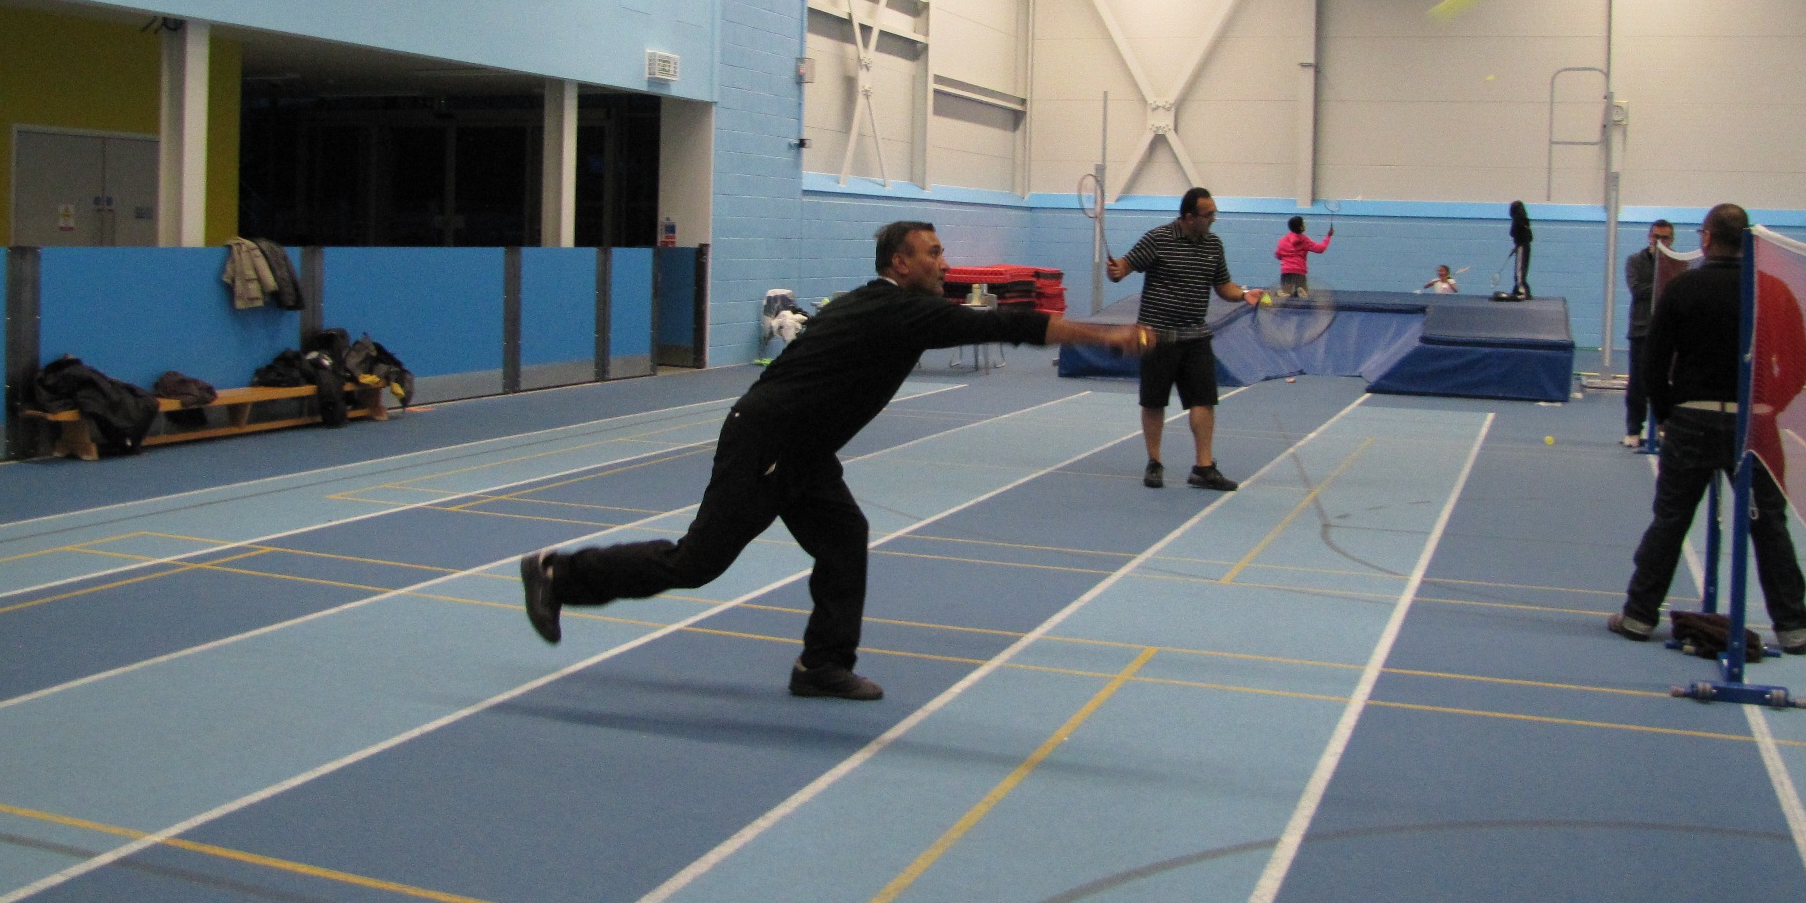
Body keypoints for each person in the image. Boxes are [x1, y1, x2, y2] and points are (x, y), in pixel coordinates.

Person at [517, 221, 1154, 700]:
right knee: (697, 563)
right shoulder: (896, 311)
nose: (944, 261)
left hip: (804, 449)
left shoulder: (883, 305)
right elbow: (1006, 327)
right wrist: (1105, 338)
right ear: (901, 263)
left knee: (845, 537)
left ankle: (822, 665)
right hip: (767, 442)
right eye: (933, 252)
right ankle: (558, 575)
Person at [1608, 204, 1806, 654]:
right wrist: (1768, 406)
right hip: (1755, 429)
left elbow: (1653, 361)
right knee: (1770, 527)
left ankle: (1639, 618)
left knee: (1670, 520)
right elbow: (1798, 363)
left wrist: (1669, 415)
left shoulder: (1683, 288)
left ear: (1705, 239)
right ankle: (1794, 628)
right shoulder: (1774, 291)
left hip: (1692, 422)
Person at [1107, 187, 1266, 492]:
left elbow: (1223, 287)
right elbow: (1124, 268)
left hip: (1196, 336)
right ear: (1190, 217)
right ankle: (1154, 463)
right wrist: (1117, 271)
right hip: (1157, 336)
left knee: (1204, 401)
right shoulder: (1158, 238)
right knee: (1153, 402)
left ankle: (1203, 468)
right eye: (1209, 215)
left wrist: (1245, 294)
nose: (1213, 220)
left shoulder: (1214, 245)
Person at [1622, 218, 1676, 447]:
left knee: (1669, 382)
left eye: (1665, 237)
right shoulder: (1635, 261)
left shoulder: (1678, 263)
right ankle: (1634, 430)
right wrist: (1664, 281)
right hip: (1641, 330)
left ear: (1671, 240)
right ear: (1649, 237)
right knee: (1638, 383)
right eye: (1656, 237)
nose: (1660, 241)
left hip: (1670, 332)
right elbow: (1637, 290)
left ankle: (1666, 429)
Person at [1275, 215, 1332, 297]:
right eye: (1303, 224)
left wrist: (1287, 257)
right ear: (1301, 227)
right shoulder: (1304, 240)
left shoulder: (1283, 240)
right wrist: (1328, 236)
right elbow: (1320, 249)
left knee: (1285, 297)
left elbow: (1278, 255)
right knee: (1303, 298)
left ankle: (1286, 292)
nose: (1305, 225)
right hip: (1299, 272)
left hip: (1286, 271)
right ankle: (1300, 291)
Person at [1507, 200, 1533, 300]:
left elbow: (1514, 233)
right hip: (1525, 246)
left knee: (1519, 270)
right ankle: (1518, 288)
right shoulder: (1525, 220)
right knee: (1522, 269)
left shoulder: (1518, 220)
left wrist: (1519, 245)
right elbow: (1529, 237)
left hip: (1522, 246)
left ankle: (1522, 290)